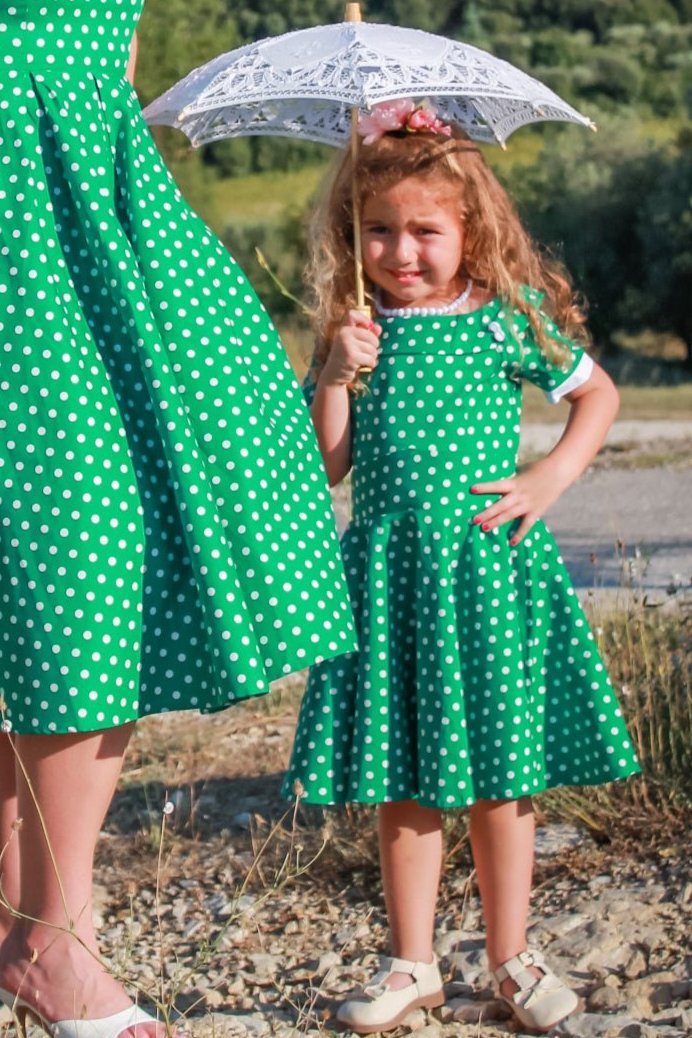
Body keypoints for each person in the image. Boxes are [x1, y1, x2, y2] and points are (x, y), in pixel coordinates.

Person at [0, 2, 356, 1037]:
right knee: (64, 538)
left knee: (84, 541)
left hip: (70, 191)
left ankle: (42, 927)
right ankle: (39, 932)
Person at [282, 99, 640, 1034]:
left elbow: (596, 393)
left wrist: (549, 478)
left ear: (470, 228)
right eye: (379, 231)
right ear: (353, 237)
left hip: (490, 570)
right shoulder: (356, 331)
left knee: (499, 772)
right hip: (395, 581)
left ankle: (512, 958)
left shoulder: (502, 319)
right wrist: (333, 375)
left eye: (425, 231)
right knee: (407, 774)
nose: (402, 252)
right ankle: (412, 964)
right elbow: (326, 465)